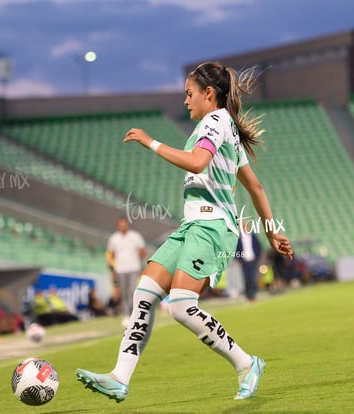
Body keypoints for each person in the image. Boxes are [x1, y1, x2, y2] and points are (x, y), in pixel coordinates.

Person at [76, 61, 293, 402]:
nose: (185, 100)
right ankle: (119, 377)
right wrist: (270, 232)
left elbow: (197, 162)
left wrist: (150, 142)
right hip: (193, 226)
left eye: (189, 94)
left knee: (179, 306)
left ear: (210, 94)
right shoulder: (224, 128)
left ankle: (246, 363)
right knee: (144, 295)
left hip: (212, 228)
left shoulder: (216, 122)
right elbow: (256, 187)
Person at [106, 217, 146, 326]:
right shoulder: (113, 238)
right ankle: (126, 315)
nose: (123, 226)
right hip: (120, 269)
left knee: (133, 291)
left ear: (127, 225)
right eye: (121, 225)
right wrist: (113, 269)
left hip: (134, 268)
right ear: (118, 226)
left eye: (124, 224)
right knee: (124, 293)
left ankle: (135, 313)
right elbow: (111, 254)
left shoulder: (135, 236)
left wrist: (139, 263)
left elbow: (142, 250)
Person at [236, 222, 262, 302]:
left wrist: (258, 258)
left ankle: (253, 295)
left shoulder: (253, 237)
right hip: (244, 262)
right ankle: (248, 296)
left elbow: (259, 248)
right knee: (247, 279)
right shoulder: (239, 238)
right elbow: (236, 250)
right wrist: (239, 260)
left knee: (253, 278)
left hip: (253, 261)